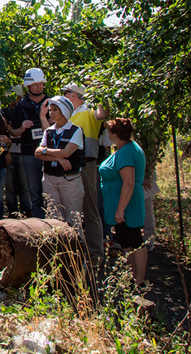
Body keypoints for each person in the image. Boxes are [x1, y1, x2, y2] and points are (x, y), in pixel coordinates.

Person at [99, 118, 147, 285]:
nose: (107, 135)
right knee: (126, 240)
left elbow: (129, 182)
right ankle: (132, 277)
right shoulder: (123, 148)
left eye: (109, 132)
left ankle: (139, 280)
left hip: (127, 204)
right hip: (119, 203)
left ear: (115, 134)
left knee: (135, 240)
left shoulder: (127, 152)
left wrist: (120, 209)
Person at [63, 83, 108, 264]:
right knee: (71, 207)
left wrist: (99, 91)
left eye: (66, 93)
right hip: (67, 164)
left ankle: (95, 253)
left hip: (87, 164)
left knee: (90, 206)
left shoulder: (89, 111)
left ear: (74, 95)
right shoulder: (66, 113)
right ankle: (73, 251)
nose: (64, 95)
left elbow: (102, 113)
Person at [35, 95, 85, 228]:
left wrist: (46, 151)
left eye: (54, 110)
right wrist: (57, 158)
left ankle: (75, 247)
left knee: (73, 219)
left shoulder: (76, 131)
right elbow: (37, 153)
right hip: (50, 178)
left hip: (69, 180)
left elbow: (66, 152)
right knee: (53, 219)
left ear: (64, 111)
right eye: (50, 110)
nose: (51, 113)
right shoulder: (49, 132)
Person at [10, 68, 50, 217]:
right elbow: (12, 131)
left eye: (40, 84)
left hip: (50, 153)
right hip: (29, 154)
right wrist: (21, 128)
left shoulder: (52, 103)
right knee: (34, 192)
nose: (38, 87)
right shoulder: (21, 106)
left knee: (50, 192)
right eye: (35, 84)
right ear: (28, 86)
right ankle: (39, 224)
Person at [2, 95, 31, 216]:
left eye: (17, 97)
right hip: (9, 151)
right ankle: (12, 210)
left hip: (23, 151)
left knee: (25, 184)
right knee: (10, 185)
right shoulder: (3, 112)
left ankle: (27, 209)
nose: (14, 101)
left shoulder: (26, 110)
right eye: (11, 98)